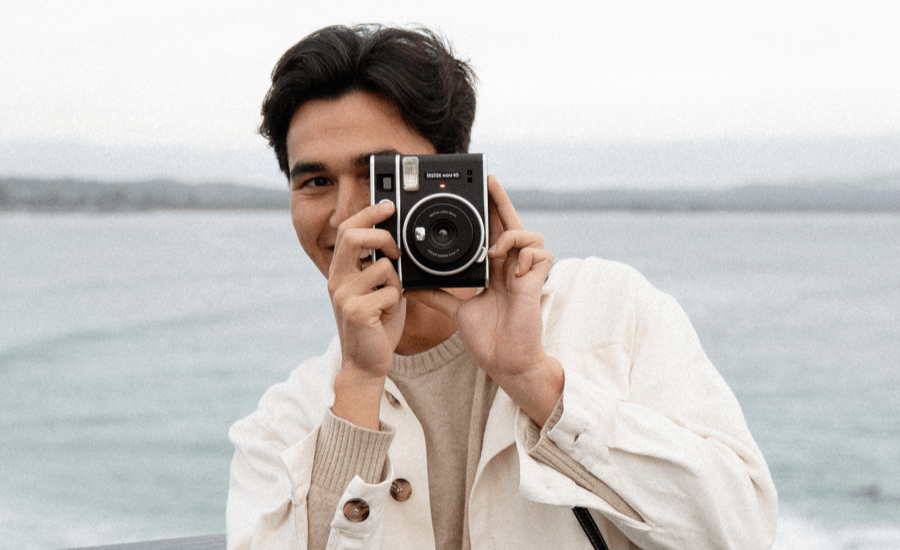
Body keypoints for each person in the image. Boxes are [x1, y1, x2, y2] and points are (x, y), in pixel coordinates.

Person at [226, 24, 778, 550]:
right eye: (316, 182)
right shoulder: (282, 425)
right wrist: (360, 385)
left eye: (380, 173)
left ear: (450, 173)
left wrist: (536, 381)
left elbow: (741, 531)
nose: (347, 214)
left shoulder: (611, 310)